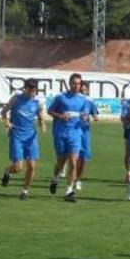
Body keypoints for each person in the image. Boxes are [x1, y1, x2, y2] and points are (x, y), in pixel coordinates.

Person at [0, 78, 46, 200]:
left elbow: (41, 116)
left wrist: (42, 124)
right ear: (25, 88)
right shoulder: (16, 99)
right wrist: (7, 123)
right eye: (30, 88)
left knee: (31, 166)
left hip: (31, 137)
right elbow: (3, 113)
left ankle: (24, 191)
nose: (33, 91)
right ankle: (8, 171)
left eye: (35, 89)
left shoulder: (38, 102)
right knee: (18, 168)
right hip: (16, 136)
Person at [47, 73, 88, 202]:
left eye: (79, 83)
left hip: (75, 134)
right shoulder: (61, 98)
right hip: (60, 133)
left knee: (74, 162)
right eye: (74, 83)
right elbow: (50, 111)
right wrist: (60, 116)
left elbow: (85, 114)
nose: (77, 86)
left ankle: (69, 190)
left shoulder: (83, 99)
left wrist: (84, 117)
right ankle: (55, 178)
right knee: (61, 161)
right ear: (69, 84)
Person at [75, 83, 99, 191]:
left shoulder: (89, 101)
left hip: (85, 132)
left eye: (85, 90)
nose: (83, 92)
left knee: (84, 158)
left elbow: (95, 114)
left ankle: (78, 179)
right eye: (82, 90)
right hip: (74, 131)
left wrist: (94, 117)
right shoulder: (74, 101)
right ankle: (73, 178)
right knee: (74, 157)